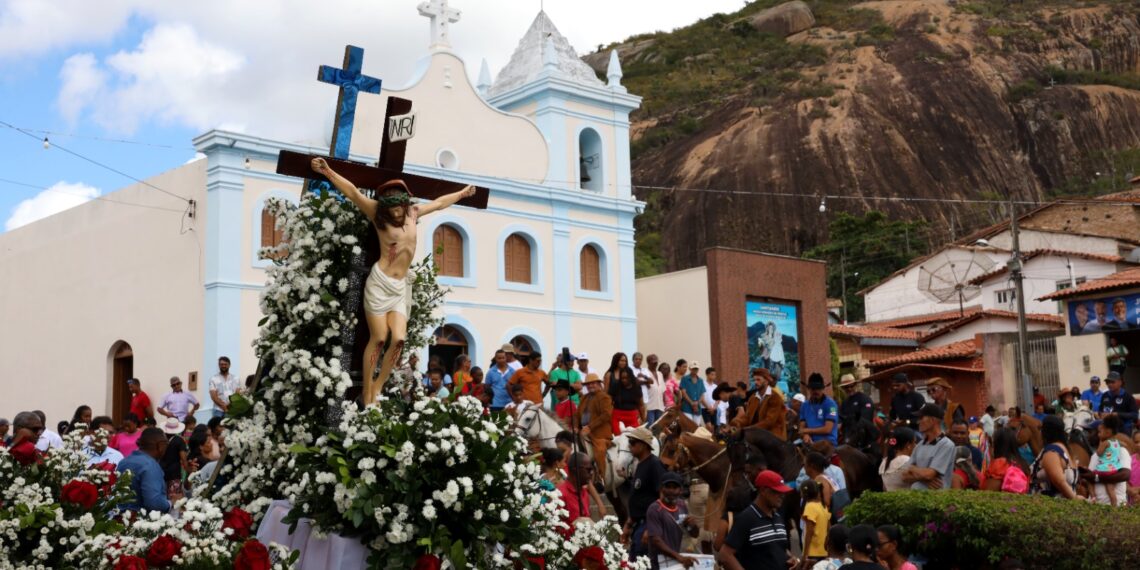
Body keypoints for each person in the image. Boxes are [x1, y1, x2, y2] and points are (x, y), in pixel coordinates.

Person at [311, 157, 475, 399]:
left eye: (399, 208)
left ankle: (378, 386)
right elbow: (354, 194)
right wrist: (327, 171)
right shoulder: (378, 214)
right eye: (392, 209)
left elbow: (440, 203)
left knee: (398, 339)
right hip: (379, 284)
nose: (396, 213)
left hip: (399, 287)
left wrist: (462, 194)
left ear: (405, 203)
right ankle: (368, 392)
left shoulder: (414, 212)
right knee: (378, 338)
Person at [718, 470, 797, 570]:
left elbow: (778, 547)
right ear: (763, 490)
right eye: (777, 492)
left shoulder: (777, 516)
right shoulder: (747, 518)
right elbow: (725, 555)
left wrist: (791, 558)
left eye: (783, 492)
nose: (782, 496)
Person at [623, 427, 665, 558]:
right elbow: (640, 497)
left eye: (632, 442)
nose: (629, 445)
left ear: (643, 445)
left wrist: (651, 528)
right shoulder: (641, 464)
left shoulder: (654, 464)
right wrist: (628, 524)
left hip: (647, 525)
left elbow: (662, 497)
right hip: (638, 524)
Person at [645, 471, 700, 570]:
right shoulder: (654, 509)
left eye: (675, 487)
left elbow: (694, 534)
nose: (671, 490)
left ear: (680, 490)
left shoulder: (682, 505)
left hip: (675, 562)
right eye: (668, 487)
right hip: (659, 563)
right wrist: (680, 558)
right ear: (661, 488)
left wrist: (693, 525)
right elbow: (656, 540)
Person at [117, 427, 172, 513]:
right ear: (160, 446)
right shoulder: (150, 465)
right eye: (166, 444)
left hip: (119, 519)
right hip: (141, 522)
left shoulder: (123, 462)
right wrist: (169, 504)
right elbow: (154, 503)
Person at [902, 403, 955, 490]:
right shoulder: (919, 445)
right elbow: (904, 476)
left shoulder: (946, 444)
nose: (918, 422)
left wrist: (913, 469)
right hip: (917, 499)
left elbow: (929, 474)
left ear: (932, 420)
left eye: (921, 418)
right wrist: (923, 479)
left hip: (936, 501)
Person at [1083, 415, 1133, 506]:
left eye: (1094, 431)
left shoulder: (1121, 451)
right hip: (1094, 509)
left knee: (1109, 489)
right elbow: (1091, 477)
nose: (1089, 435)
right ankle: (1093, 498)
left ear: (1108, 431)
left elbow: (1125, 475)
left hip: (1114, 511)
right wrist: (1084, 474)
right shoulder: (1094, 456)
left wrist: (1096, 478)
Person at [1030, 415, 1079, 499]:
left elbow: (1059, 481)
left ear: (1045, 432)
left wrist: (1075, 498)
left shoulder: (1051, 452)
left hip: (1049, 505)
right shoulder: (1066, 449)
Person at [731, 368, 787, 440]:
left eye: (758, 380)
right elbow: (747, 417)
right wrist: (736, 423)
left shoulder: (775, 397)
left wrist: (747, 430)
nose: (756, 382)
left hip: (774, 436)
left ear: (766, 381)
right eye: (754, 380)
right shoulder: (753, 398)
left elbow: (769, 422)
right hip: (757, 435)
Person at [576, 374, 613, 481]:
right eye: (588, 384)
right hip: (583, 432)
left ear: (598, 384)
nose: (590, 386)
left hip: (599, 434)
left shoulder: (604, 397)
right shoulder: (584, 398)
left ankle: (601, 478)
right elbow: (577, 415)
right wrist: (575, 427)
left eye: (593, 383)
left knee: (599, 451)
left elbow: (606, 415)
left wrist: (590, 427)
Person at [982, 427, 1029, 493]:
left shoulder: (999, 464)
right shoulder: (1023, 463)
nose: (990, 447)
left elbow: (988, 494)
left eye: (991, 443)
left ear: (997, 445)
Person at [558, 451, 594, 533]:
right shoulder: (560, 494)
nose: (591, 473)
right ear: (575, 470)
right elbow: (557, 530)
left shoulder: (584, 492)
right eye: (588, 470)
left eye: (592, 469)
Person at [799, 373, 839, 446]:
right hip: (809, 442)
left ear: (823, 388)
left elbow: (827, 429)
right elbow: (801, 428)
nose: (816, 391)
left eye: (818, 388)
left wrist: (807, 431)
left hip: (827, 443)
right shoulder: (804, 405)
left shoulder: (831, 405)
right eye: (813, 388)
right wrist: (805, 435)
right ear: (808, 389)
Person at [158, 416, 190, 501]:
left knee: (162, 497)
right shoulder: (179, 441)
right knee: (174, 499)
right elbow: (183, 458)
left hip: (161, 471)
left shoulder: (161, 439)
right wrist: (187, 469)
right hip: (174, 473)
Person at [800, 479, 830, 567]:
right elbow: (829, 528)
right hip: (824, 552)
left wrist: (805, 554)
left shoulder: (810, 506)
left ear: (804, 493)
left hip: (812, 552)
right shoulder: (823, 506)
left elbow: (810, 532)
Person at [880, 427, 919, 491]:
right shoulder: (907, 460)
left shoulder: (884, 461)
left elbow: (884, 488)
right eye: (914, 442)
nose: (916, 445)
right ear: (908, 445)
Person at [609, 367, 645, 432]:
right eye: (622, 378)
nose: (624, 380)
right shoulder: (615, 386)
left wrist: (643, 419)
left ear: (631, 377)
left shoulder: (636, 387)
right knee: (618, 438)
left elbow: (641, 405)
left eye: (626, 378)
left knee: (633, 438)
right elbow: (609, 403)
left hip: (632, 417)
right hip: (617, 417)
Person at [838, 374, 874, 438]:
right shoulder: (844, 403)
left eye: (851, 386)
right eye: (846, 387)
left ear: (856, 385)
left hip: (864, 435)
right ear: (843, 388)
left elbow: (865, 419)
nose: (849, 389)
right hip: (848, 434)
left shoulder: (864, 399)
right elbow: (840, 418)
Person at [643, 354, 667, 426]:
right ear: (648, 362)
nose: (655, 364)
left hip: (660, 406)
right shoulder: (644, 372)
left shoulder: (660, 374)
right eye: (653, 362)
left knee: (658, 428)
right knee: (650, 428)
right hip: (649, 406)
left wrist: (664, 404)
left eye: (656, 362)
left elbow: (663, 390)